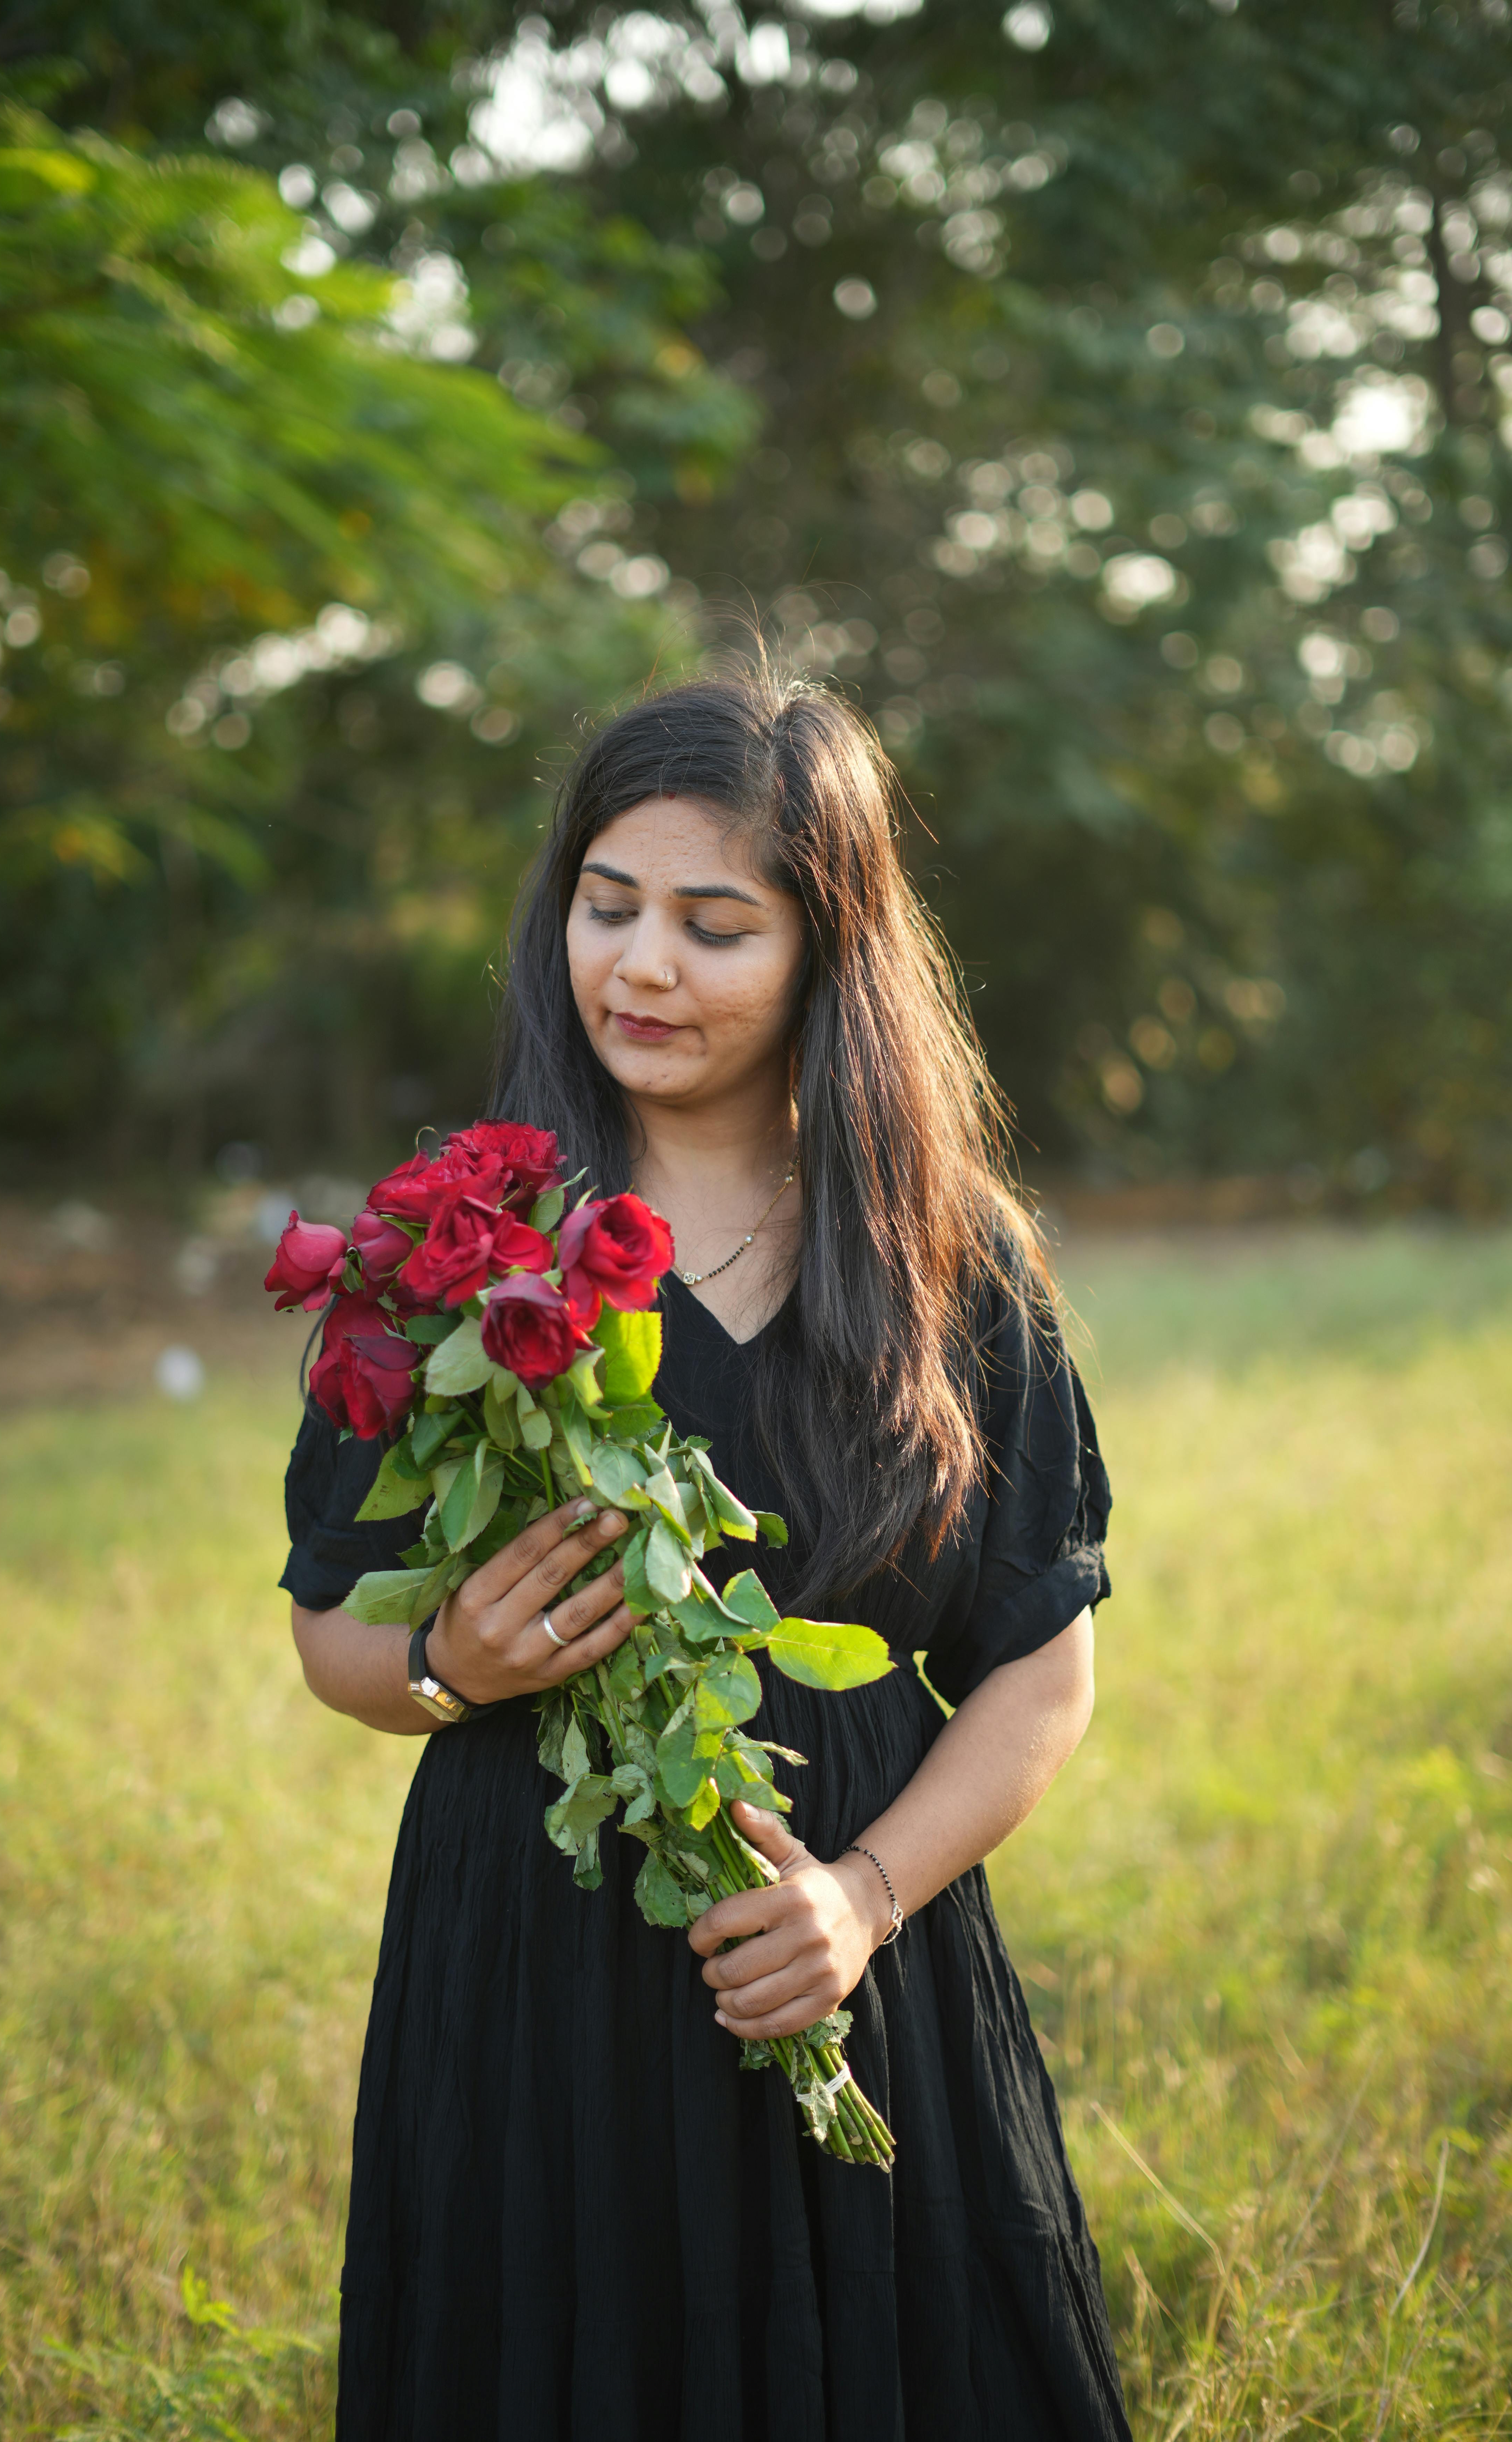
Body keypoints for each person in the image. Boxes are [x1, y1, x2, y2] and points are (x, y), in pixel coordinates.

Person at [282, 664, 1132, 2441]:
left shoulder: (940, 1259)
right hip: (537, 1958)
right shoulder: (462, 1250)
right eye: (607, 906)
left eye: (713, 924)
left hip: (853, 1951)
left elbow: (1037, 1662)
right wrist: (458, 1667)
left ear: (831, 952)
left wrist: (860, 1903)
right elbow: (334, 1638)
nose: (642, 967)